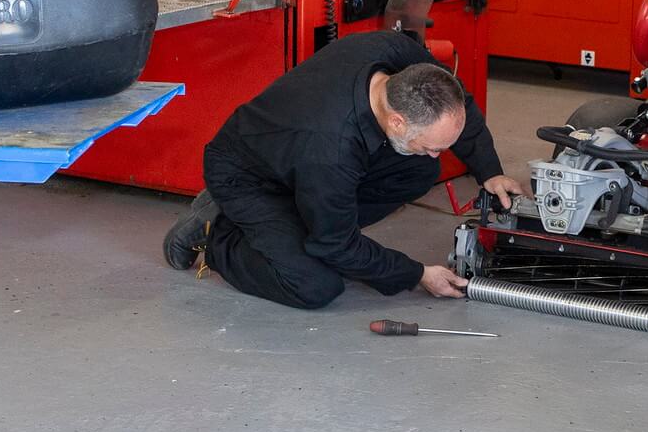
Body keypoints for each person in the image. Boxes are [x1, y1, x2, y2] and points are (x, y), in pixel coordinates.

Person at [161, 30, 523, 309]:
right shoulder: (330, 148)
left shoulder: (400, 58)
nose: (436, 155)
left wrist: (489, 171)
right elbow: (337, 246)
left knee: (417, 171)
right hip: (248, 174)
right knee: (316, 285)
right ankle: (217, 232)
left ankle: (306, 221)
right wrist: (416, 274)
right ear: (397, 122)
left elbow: (460, 104)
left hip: (297, 157)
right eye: (432, 146)